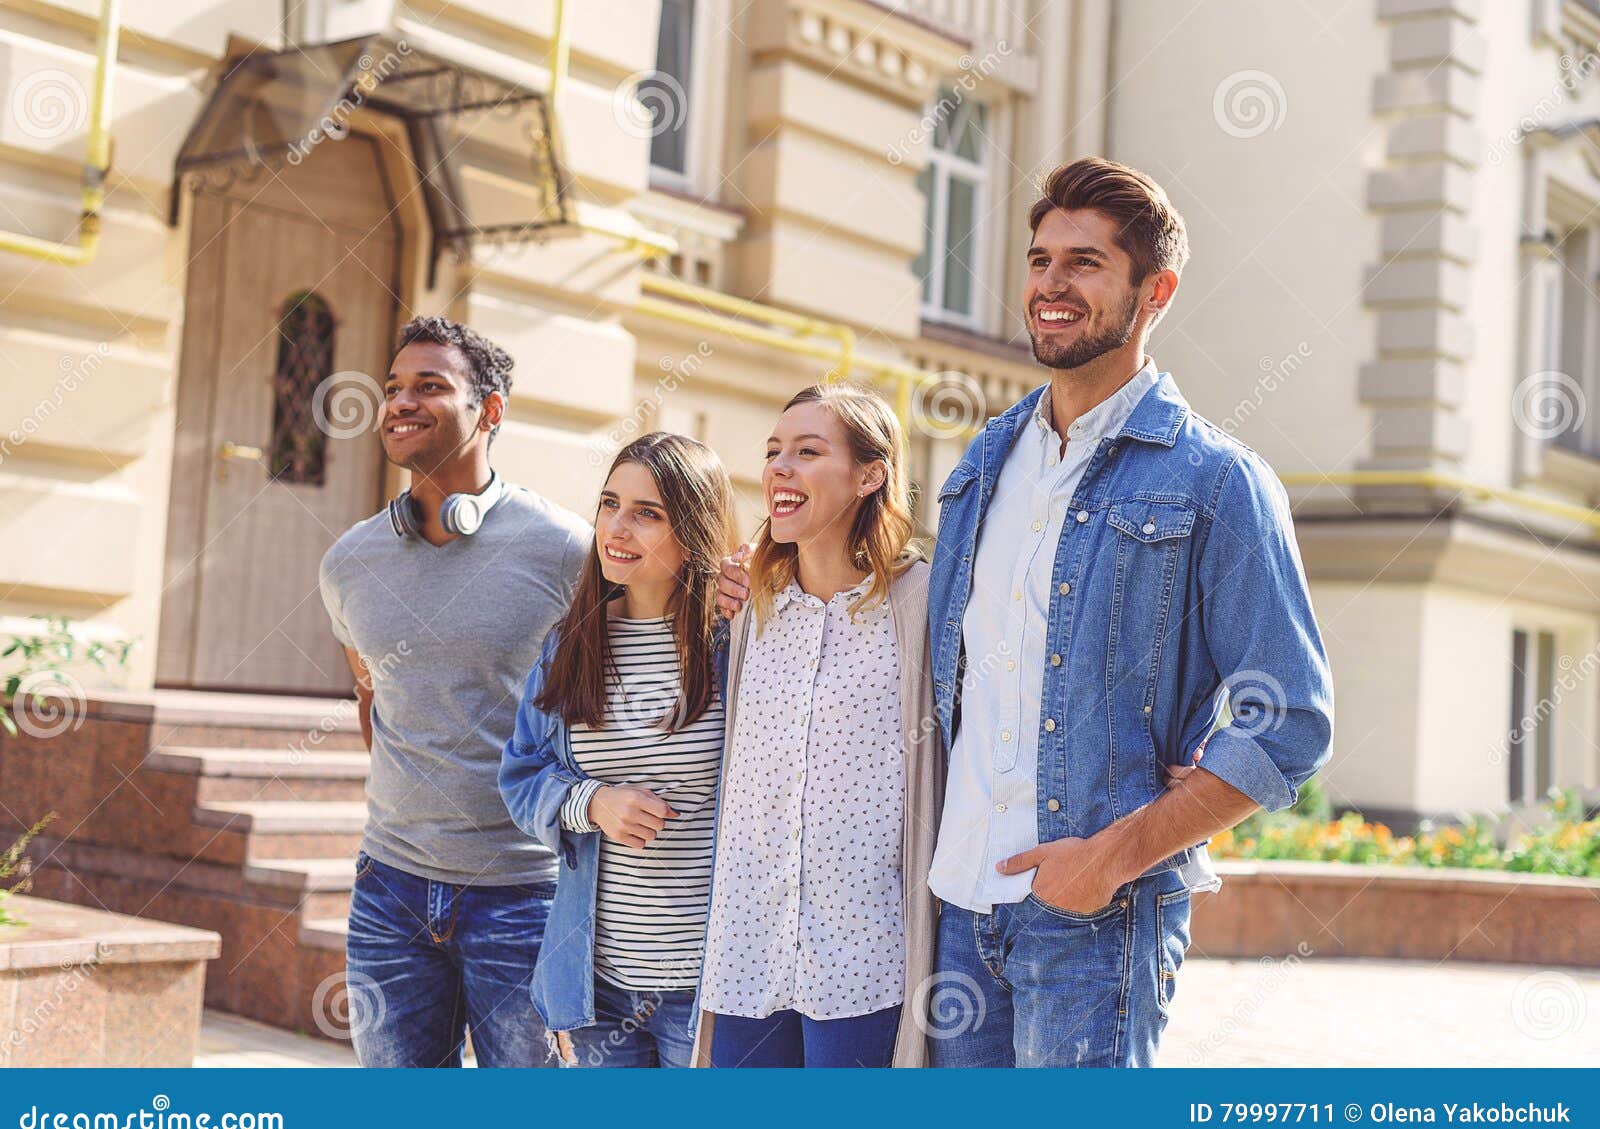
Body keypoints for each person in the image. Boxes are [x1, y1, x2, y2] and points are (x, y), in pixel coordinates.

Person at [718, 157, 1334, 1068]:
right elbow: (921, 629)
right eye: (1040, 259)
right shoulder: (985, 461)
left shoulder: (1216, 481)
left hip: (1095, 924)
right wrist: (765, 577)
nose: (1050, 284)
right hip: (960, 909)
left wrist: (1115, 857)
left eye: (1084, 263)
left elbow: (1288, 721)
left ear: (1153, 290)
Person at [317, 316, 589, 1068]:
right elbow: (375, 701)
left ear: (490, 411)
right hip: (389, 889)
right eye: (394, 388)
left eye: (430, 386)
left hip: (524, 893)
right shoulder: (349, 562)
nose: (402, 401)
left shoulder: (566, 551)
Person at [695, 383, 942, 1069]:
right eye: (774, 451)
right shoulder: (748, 607)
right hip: (749, 949)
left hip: (864, 955)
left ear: (871, 475)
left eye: (808, 451)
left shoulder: (922, 602)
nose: (779, 467)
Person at [498, 432, 736, 1068]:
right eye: (609, 504)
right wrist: (592, 802)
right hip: (597, 983)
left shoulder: (733, 647)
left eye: (647, 513)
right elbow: (521, 777)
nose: (616, 528)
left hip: (709, 984)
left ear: (693, 530)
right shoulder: (572, 643)